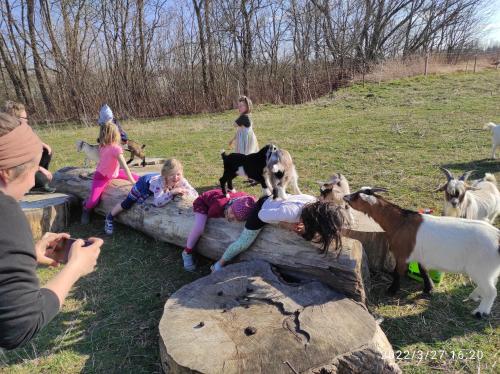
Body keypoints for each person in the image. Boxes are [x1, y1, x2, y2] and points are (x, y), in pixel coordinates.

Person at [0, 112, 102, 350]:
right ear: (5, 173)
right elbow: (19, 327)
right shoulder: (5, 212)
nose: (39, 179)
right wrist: (75, 268)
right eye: (34, 170)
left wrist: (26, 255)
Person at [210, 194, 345, 272]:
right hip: (262, 210)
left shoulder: (313, 202)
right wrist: (284, 224)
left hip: (275, 200)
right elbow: (263, 215)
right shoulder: (290, 214)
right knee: (243, 243)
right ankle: (219, 264)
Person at [104, 159, 198, 235]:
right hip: (143, 184)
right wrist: (171, 193)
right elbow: (157, 202)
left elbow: (195, 194)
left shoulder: (181, 180)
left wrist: (185, 192)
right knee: (128, 203)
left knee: (160, 193)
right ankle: (110, 217)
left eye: (178, 174)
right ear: (165, 175)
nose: (176, 177)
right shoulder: (159, 182)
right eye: (172, 175)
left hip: (155, 185)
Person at [182, 189, 257, 271]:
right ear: (232, 204)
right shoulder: (217, 207)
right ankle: (187, 252)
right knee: (199, 227)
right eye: (231, 211)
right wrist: (226, 216)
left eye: (234, 218)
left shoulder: (247, 200)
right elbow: (211, 213)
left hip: (222, 199)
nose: (230, 216)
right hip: (202, 203)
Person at [81, 121, 139, 224]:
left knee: (138, 178)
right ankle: (86, 208)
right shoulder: (104, 146)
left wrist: (132, 180)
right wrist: (132, 181)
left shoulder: (115, 148)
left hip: (115, 173)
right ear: (115, 134)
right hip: (101, 177)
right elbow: (123, 166)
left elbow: (125, 168)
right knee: (94, 201)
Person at [2, 101, 55, 192]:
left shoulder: (22, 130)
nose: (26, 120)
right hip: (13, 173)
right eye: (24, 118)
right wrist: (39, 168)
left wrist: (41, 144)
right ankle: (34, 184)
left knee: (45, 151)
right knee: (42, 180)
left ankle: (37, 178)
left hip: (26, 167)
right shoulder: (7, 135)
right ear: (15, 118)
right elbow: (18, 162)